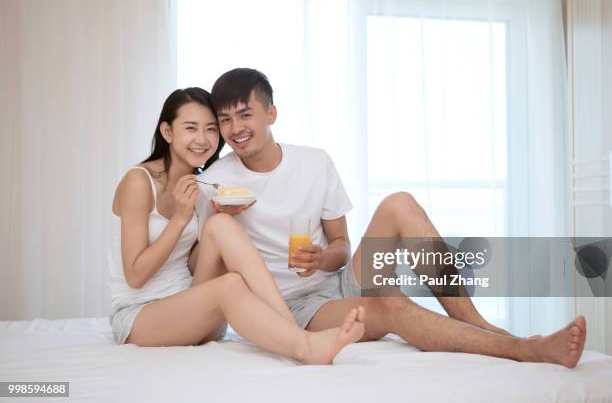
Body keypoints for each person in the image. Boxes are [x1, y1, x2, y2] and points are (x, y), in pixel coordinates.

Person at [195, 68, 587, 368]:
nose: (235, 129)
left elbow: (340, 247)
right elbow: (201, 266)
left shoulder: (314, 162)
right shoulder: (215, 183)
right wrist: (215, 215)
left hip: (337, 279)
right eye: (225, 120)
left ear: (271, 113)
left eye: (244, 115)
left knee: (399, 203)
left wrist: (321, 257)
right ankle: (524, 349)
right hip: (295, 309)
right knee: (390, 304)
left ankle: (479, 323)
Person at [108, 87, 365, 364]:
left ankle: (289, 327)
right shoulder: (139, 181)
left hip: (196, 307)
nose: (202, 140)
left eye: (210, 129)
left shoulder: (203, 184)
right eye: (191, 128)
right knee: (230, 284)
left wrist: (221, 216)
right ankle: (303, 344)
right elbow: (135, 275)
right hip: (142, 315)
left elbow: (192, 263)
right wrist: (181, 219)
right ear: (168, 133)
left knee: (220, 225)